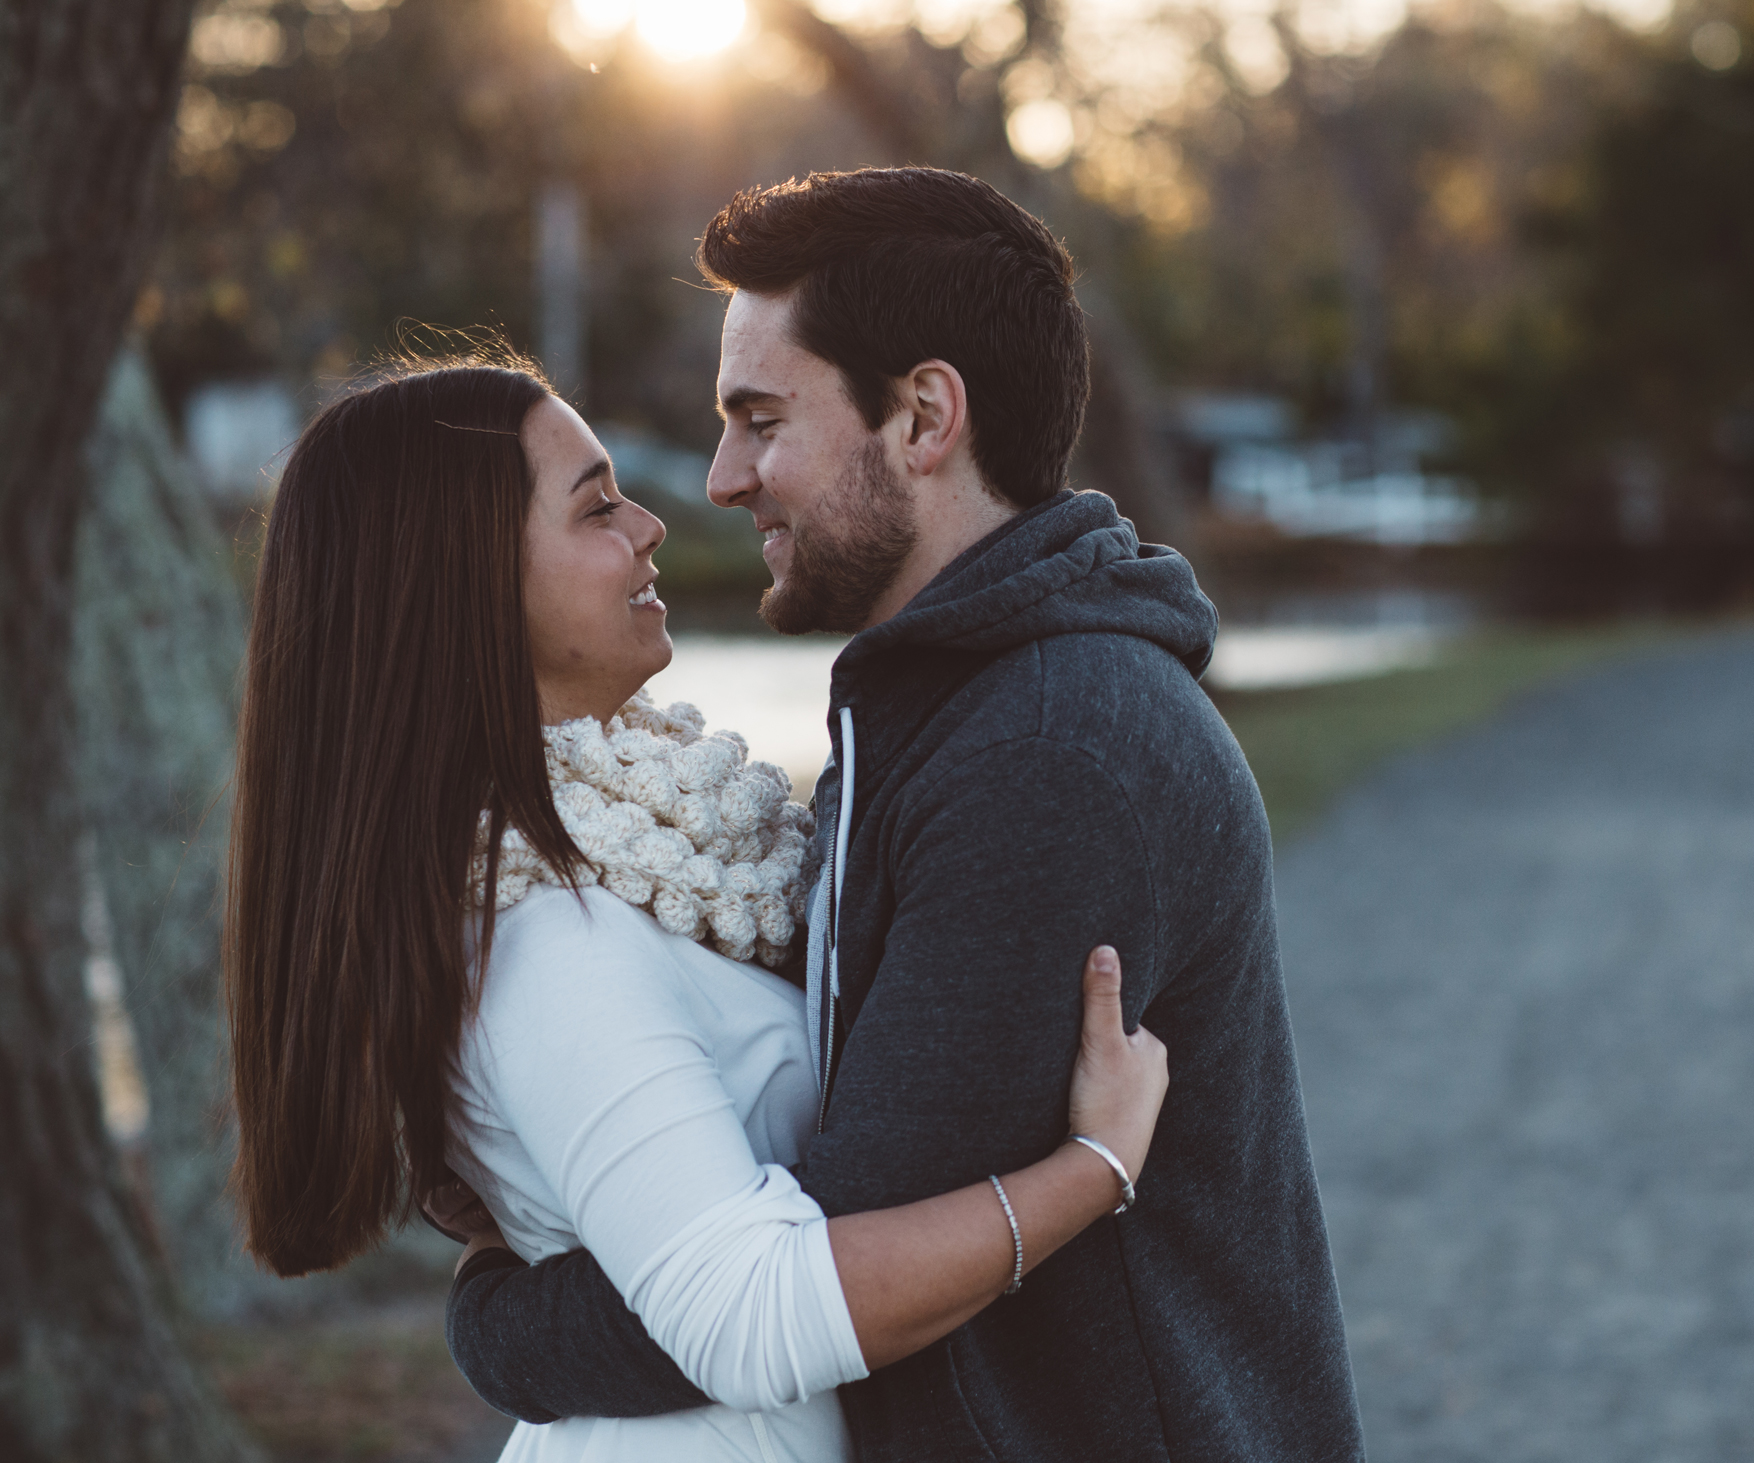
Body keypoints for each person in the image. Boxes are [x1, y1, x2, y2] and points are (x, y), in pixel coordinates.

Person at [440, 168, 1366, 1460]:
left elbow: (808, 1273)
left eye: (760, 419)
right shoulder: (942, 707)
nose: (718, 479)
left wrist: (500, 1321)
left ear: (924, 415)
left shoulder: (1050, 750)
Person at [223, 357, 1170, 1463]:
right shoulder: (545, 935)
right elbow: (743, 1315)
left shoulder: (639, 859)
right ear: (466, 582)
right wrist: (1092, 1167)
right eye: (595, 506)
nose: (651, 524)